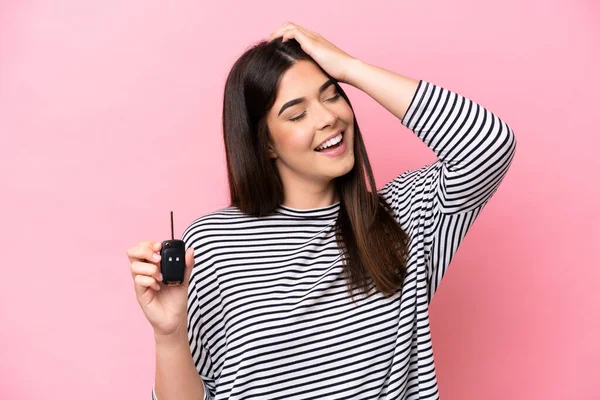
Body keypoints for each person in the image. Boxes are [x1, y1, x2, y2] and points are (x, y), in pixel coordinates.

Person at [126, 22, 517, 400]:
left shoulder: (404, 218)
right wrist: (170, 335)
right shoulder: (213, 244)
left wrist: (350, 68)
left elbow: (489, 146)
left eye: (331, 95)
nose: (328, 117)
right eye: (297, 114)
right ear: (266, 145)